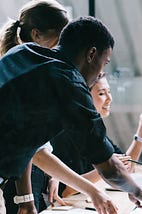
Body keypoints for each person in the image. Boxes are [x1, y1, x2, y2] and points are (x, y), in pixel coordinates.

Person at [0, 16, 142, 214]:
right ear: (91, 54)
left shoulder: (22, 52)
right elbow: (109, 168)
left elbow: (26, 142)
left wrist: (25, 201)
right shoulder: (68, 83)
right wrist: (137, 191)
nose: (100, 73)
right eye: (104, 63)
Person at [0, 0, 70, 213]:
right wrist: (26, 200)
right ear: (37, 35)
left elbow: (29, 145)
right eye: (61, 39)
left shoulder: (19, 69)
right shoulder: (21, 77)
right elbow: (31, 149)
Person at [51, 74, 142, 197]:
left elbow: (125, 167)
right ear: (83, 97)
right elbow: (65, 190)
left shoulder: (95, 131)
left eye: (109, 92)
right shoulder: (65, 134)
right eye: (101, 93)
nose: (109, 98)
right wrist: (105, 170)